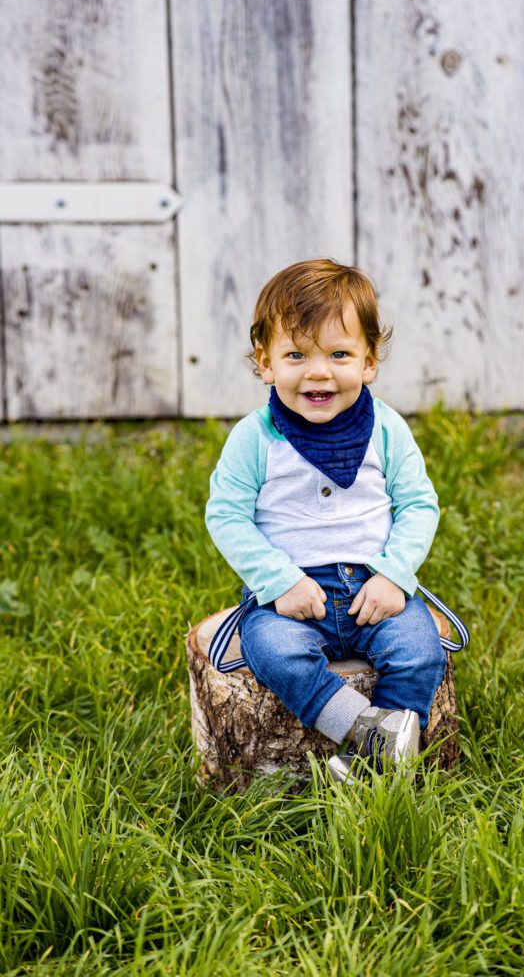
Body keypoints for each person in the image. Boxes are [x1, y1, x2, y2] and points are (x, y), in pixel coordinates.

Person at [205, 258, 448, 781]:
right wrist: (278, 581)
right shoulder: (256, 437)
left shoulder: (386, 428)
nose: (318, 371)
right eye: (296, 355)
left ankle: (372, 768)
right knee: (273, 651)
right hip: (291, 595)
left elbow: (418, 505)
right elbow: (226, 514)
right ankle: (365, 732)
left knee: (420, 650)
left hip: (372, 587)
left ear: (369, 361)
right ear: (264, 362)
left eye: (339, 354)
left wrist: (394, 576)